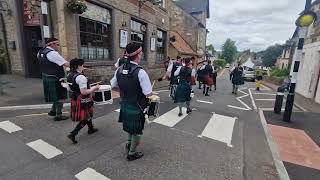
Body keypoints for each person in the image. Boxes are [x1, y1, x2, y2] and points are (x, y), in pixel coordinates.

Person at [110, 42, 152, 161]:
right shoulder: (140, 72)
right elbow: (147, 93)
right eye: (141, 51)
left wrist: (124, 91)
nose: (142, 53)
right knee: (137, 130)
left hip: (125, 103)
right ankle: (132, 153)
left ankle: (129, 144)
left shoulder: (119, 69)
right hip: (138, 105)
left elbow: (113, 86)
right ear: (138, 54)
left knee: (129, 126)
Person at [66, 58, 99, 144]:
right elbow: (83, 91)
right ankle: (73, 133)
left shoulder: (69, 75)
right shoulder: (81, 77)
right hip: (83, 99)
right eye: (82, 65)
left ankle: (91, 128)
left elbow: (69, 88)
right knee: (86, 117)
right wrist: (94, 88)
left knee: (88, 114)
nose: (83, 67)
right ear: (78, 66)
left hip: (75, 98)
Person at [37, 37, 69, 121]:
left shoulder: (40, 52)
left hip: (46, 76)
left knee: (55, 96)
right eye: (57, 44)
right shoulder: (53, 54)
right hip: (56, 77)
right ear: (52, 44)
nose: (58, 46)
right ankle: (58, 115)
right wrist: (78, 66)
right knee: (60, 95)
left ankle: (52, 111)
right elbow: (66, 64)